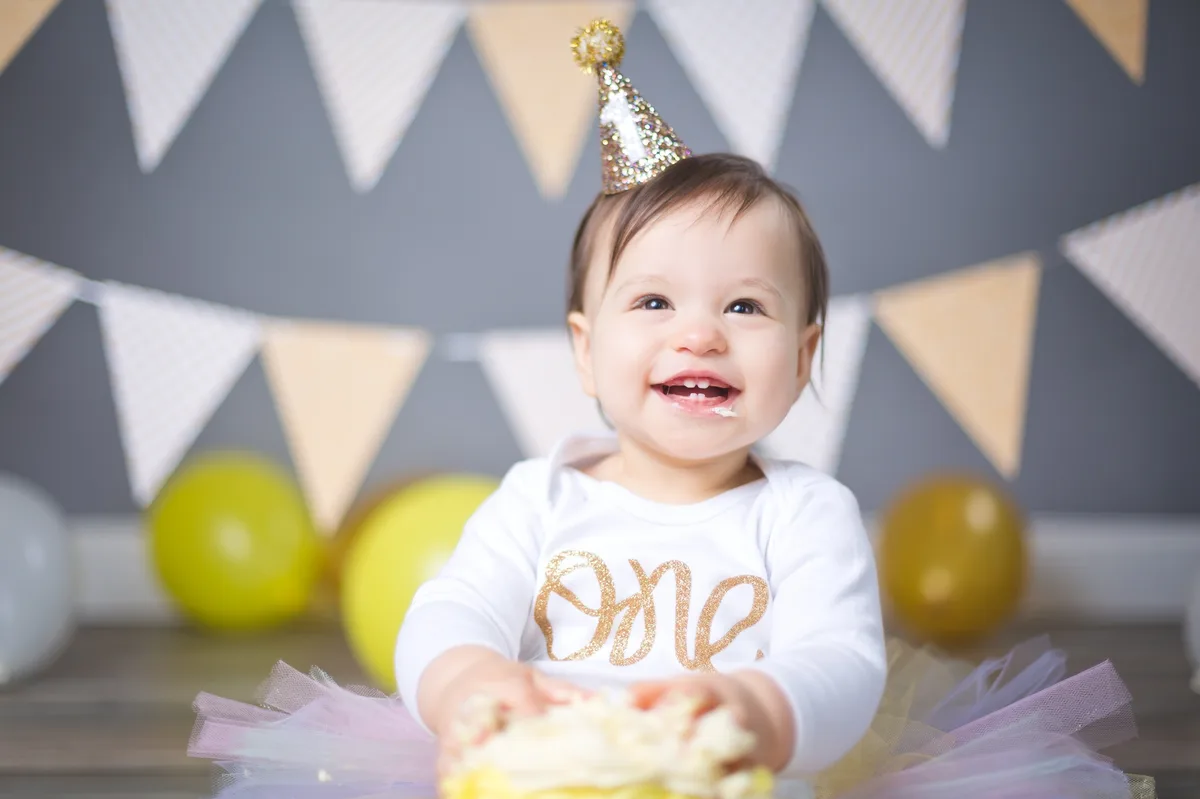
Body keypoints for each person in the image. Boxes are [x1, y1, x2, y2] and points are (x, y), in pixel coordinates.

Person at [186, 18, 1157, 799]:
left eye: (745, 306)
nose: (700, 335)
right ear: (585, 349)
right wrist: (472, 686)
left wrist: (758, 710)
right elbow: (450, 611)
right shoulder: (540, 498)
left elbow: (840, 665)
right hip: (538, 776)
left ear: (805, 352)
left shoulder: (804, 513)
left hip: (727, 783)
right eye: (653, 302)